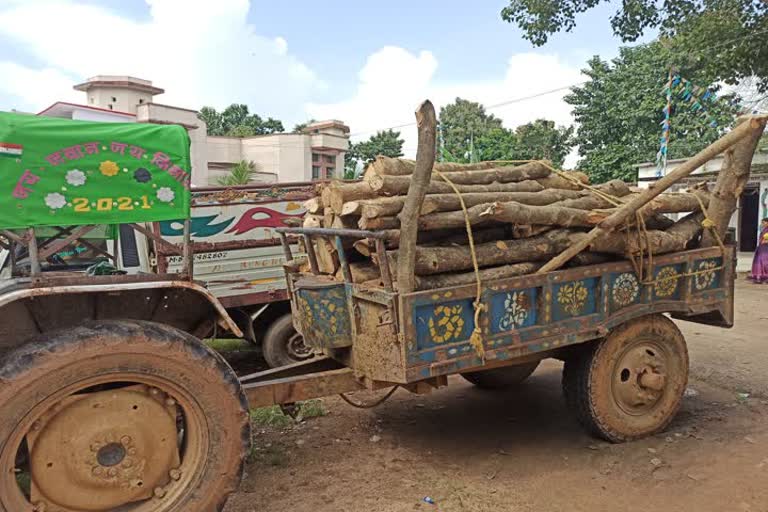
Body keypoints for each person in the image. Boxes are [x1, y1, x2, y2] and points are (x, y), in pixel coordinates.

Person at [749, 218, 768, 283]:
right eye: (762, 222)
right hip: (761, 248)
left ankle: (765, 276)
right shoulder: (763, 230)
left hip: (766, 249)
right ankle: (759, 276)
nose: (762, 224)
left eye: (763, 222)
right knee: (759, 262)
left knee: (765, 262)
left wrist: (766, 241)